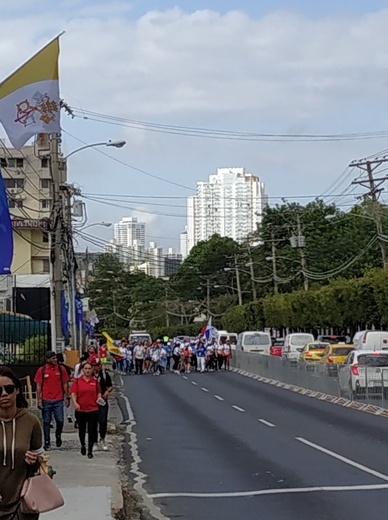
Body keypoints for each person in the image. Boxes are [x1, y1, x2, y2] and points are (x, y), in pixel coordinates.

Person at [0, 367, 44, 520]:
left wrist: (34, 461)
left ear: (17, 390)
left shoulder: (31, 421)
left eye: (9, 389)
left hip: (23, 503)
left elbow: (40, 459)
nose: (4, 394)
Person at [34, 351, 70, 451]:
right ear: (48, 359)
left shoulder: (61, 369)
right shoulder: (42, 370)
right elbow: (39, 386)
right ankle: (47, 442)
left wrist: (67, 397)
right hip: (46, 400)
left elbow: (65, 384)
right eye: (53, 358)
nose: (55, 360)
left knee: (60, 420)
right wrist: (39, 400)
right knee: (46, 421)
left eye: (55, 358)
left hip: (58, 399)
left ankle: (58, 435)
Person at [70, 361, 102, 459]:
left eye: (89, 369)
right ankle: (83, 444)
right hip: (81, 410)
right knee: (82, 429)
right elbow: (73, 393)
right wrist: (75, 403)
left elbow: (98, 392)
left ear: (92, 370)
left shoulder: (95, 381)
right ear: (82, 370)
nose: (88, 371)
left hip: (93, 409)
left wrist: (99, 399)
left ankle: (90, 450)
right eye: (86, 369)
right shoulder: (78, 381)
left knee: (92, 430)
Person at [92, 361, 113, 451]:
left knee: (103, 421)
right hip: (92, 402)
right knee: (93, 422)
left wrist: (107, 391)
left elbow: (110, 386)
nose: (98, 367)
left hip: (102, 401)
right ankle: (94, 441)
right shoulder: (89, 376)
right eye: (96, 365)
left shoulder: (104, 375)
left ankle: (102, 438)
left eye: (99, 365)